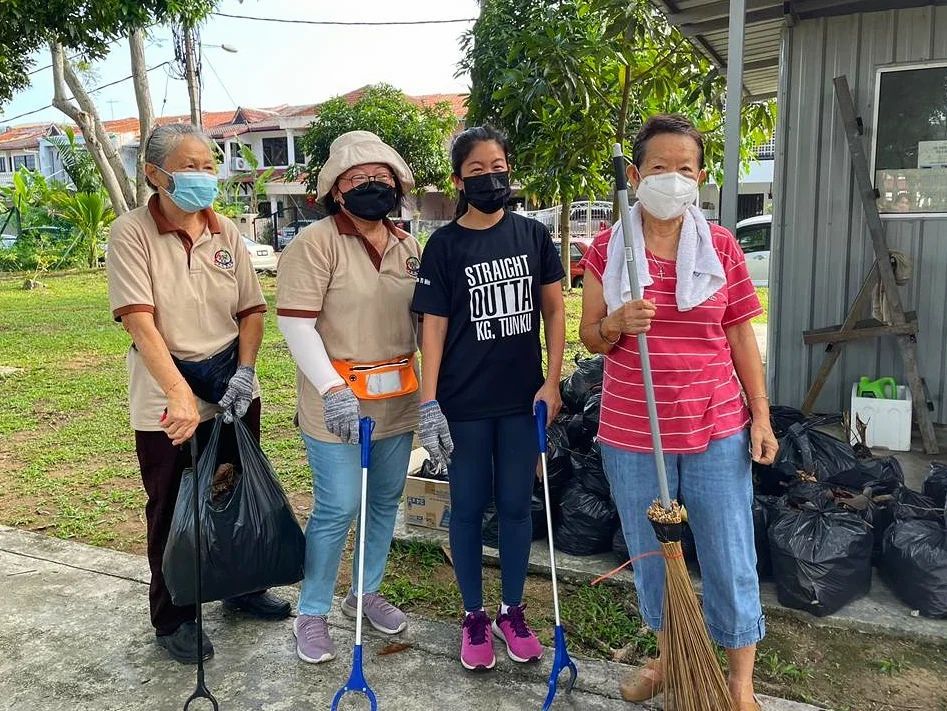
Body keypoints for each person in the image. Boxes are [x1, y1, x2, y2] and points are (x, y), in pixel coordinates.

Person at [577, 114, 778, 710]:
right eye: (658, 168)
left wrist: (760, 416)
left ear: (701, 177)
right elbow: (590, 335)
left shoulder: (719, 247)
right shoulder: (608, 248)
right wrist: (614, 323)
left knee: (729, 552)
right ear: (635, 175)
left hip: (714, 424)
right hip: (633, 431)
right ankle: (671, 659)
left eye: (684, 169)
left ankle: (739, 683)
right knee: (652, 557)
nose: (671, 179)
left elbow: (742, 336)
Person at [106, 123, 290, 665]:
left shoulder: (226, 231)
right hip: (167, 390)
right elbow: (140, 322)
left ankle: (242, 586)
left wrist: (245, 371)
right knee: (172, 504)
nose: (204, 176)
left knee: (234, 490)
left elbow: (252, 311)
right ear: (155, 174)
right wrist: (179, 394)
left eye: (210, 165)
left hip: (231, 383)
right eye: (191, 166)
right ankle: (175, 615)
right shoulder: (131, 233)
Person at [412, 125, 566, 672]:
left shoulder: (533, 236)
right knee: (470, 508)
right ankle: (475, 616)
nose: (490, 176)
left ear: (510, 170)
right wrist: (429, 402)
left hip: (522, 401)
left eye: (497, 166)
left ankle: (512, 611)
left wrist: (552, 379)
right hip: (465, 403)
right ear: (459, 180)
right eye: (476, 170)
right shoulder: (444, 245)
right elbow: (433, 327)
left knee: (518, 508)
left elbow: (554, 310)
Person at [276, 131, 421, 664]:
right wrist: (333, 389)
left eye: (381, 178)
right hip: (335, 406)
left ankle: (364, 592)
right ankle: (312, 612)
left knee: (383, 502)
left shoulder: (409, 246)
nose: (370, 187)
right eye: (357, 179)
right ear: (336, 191)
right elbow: (296, 325)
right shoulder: (314, 244)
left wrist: (435, 398)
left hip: (397, 402)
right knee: (337, 507)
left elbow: (424, 324)